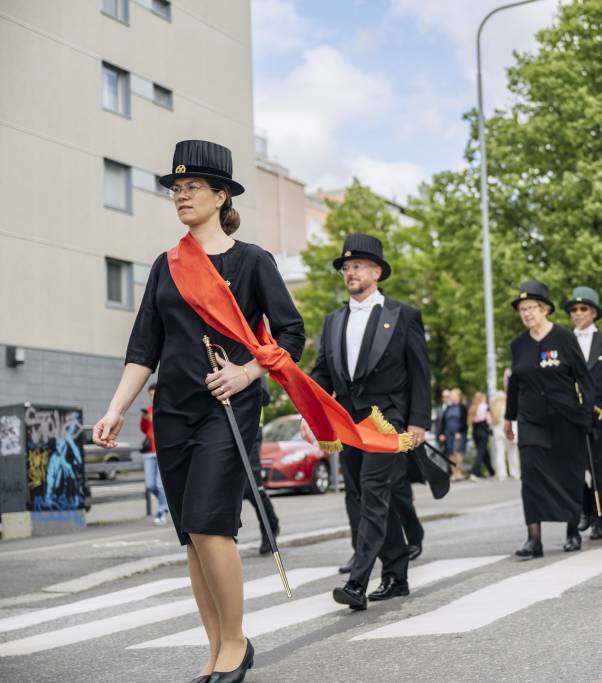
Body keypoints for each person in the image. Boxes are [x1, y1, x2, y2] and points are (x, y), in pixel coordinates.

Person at [94, 139, 305, 682]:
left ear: (220, 195)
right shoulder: (167, 266)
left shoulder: (253, 261)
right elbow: (144, 346)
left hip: (228, 410)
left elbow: (291, 333)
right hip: (174, 413)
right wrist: (117, 408)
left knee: (213, 525)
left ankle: (236, 641)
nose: (181, 196)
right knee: (191, 533)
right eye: (175, 188)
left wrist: (248, 371)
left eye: (191, 188)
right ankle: (214, 649)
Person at [309, 233, 431, 611]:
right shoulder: (333, 321)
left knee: (374, 493)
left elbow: (419, 374)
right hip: (348, 422)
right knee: (366, 497)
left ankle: (358, 581)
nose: (350, 272)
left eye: (358, 265)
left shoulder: (403, 315)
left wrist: (418, 422)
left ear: (377, 271)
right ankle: (396, 576)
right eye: (346, 267)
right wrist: (309, 415)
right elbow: (322, 375)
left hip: (387, 420)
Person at [504, 281, 594, 557]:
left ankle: (572, 531)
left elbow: (583, 378)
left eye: (531, 308)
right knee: (530, 475)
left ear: (544, 310)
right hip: (531, 419)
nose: (527, 313)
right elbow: (515, 384)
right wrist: (509, 419)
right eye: (522, 309)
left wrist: (587, 413)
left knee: (568, 474)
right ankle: (534, 538)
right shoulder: (518, 344)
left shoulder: (565, 338)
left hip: (565, 417)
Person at [564, 286, 602, 540]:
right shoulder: (563, 340)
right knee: (572, 469)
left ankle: (601, 519)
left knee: (600, 471)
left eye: (583, 309)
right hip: (572, 415)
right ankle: (585, 507)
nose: (578, 314)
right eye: (574, 310)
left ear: (594, 313)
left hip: (601, 415)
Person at [244, 380, 280, 556]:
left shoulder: (250, 359)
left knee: (253, 487)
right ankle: (225, 538)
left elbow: (265, 397)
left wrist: (243, 378)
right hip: (224, 429)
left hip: (251, 429)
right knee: (226, 487)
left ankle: (270, 528)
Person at [139, 383, 169, 525]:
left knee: (160, 484)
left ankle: (161, 510)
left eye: (154, 394)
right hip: (149, 452)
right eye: (150, 395)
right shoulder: (149, 410)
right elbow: (144, 430)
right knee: (150, 485)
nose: (152, 397)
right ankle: (167, 504)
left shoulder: (166, 408)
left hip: (163, 451)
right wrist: (145, 419)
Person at [469, 391, 493, 478]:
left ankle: (491, 471)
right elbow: (489, 420)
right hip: (483, 430)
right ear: (483, 398)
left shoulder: (473, 408)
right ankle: (474, 471)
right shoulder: (485, 407)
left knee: (483, 451)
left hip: (475, 432)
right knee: (481, 452)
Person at [488, 389, 511, 480]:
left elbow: (490, 422)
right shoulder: (507, 406)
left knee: (500, 452)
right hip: (507, 431)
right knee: (512, 452)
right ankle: (515, 472)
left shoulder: (493, 408)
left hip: (497, 432)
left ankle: (502, 474)